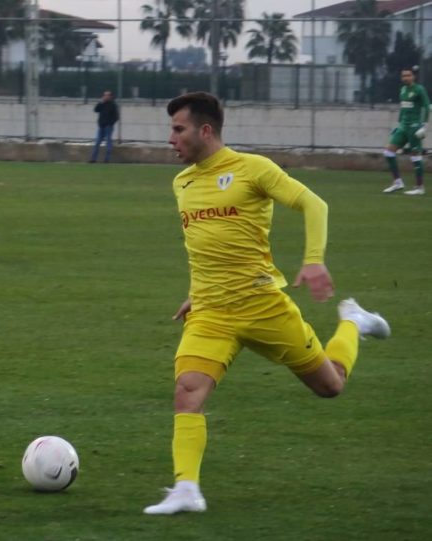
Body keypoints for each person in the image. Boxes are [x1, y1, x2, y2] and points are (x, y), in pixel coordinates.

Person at [144, 92, 391, 515]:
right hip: (211, 313)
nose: (171, 138)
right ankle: (186, 489)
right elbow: (207, 248)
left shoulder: (253, 169)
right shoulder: (181, 183)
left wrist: (314, 260)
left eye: (178, 129)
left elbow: (313, 203)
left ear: (206, 131)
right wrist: (196, 294)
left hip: (263, 306)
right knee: (187, 391)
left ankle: (353, 321)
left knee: (330, 386)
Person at [383, 67, 429, 195]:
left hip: (414, 127)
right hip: (403, 126)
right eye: (403, 76)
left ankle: (419, 187)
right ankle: (398, 182)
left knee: (415, 156)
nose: (405, 78)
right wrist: (398, 125)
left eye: (408, 75)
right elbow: (403, 109)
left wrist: (424, 126)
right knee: (388, 152)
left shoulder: (419, 89)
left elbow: (427, 107)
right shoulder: (403, 90)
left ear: (413, 77)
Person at [89, 90, 119, 163]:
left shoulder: (113, 105)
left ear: (111, 96)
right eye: (104, 95)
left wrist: (110, 123)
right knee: (97, 142)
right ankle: (93, 159)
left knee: (108, 142)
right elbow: (96, 110)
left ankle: (107, 159)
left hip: (108, 127)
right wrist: (100, 102)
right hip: (101, 126)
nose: (106, 96)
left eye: (107, 95)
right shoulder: (102, 104)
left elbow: (116, 117)